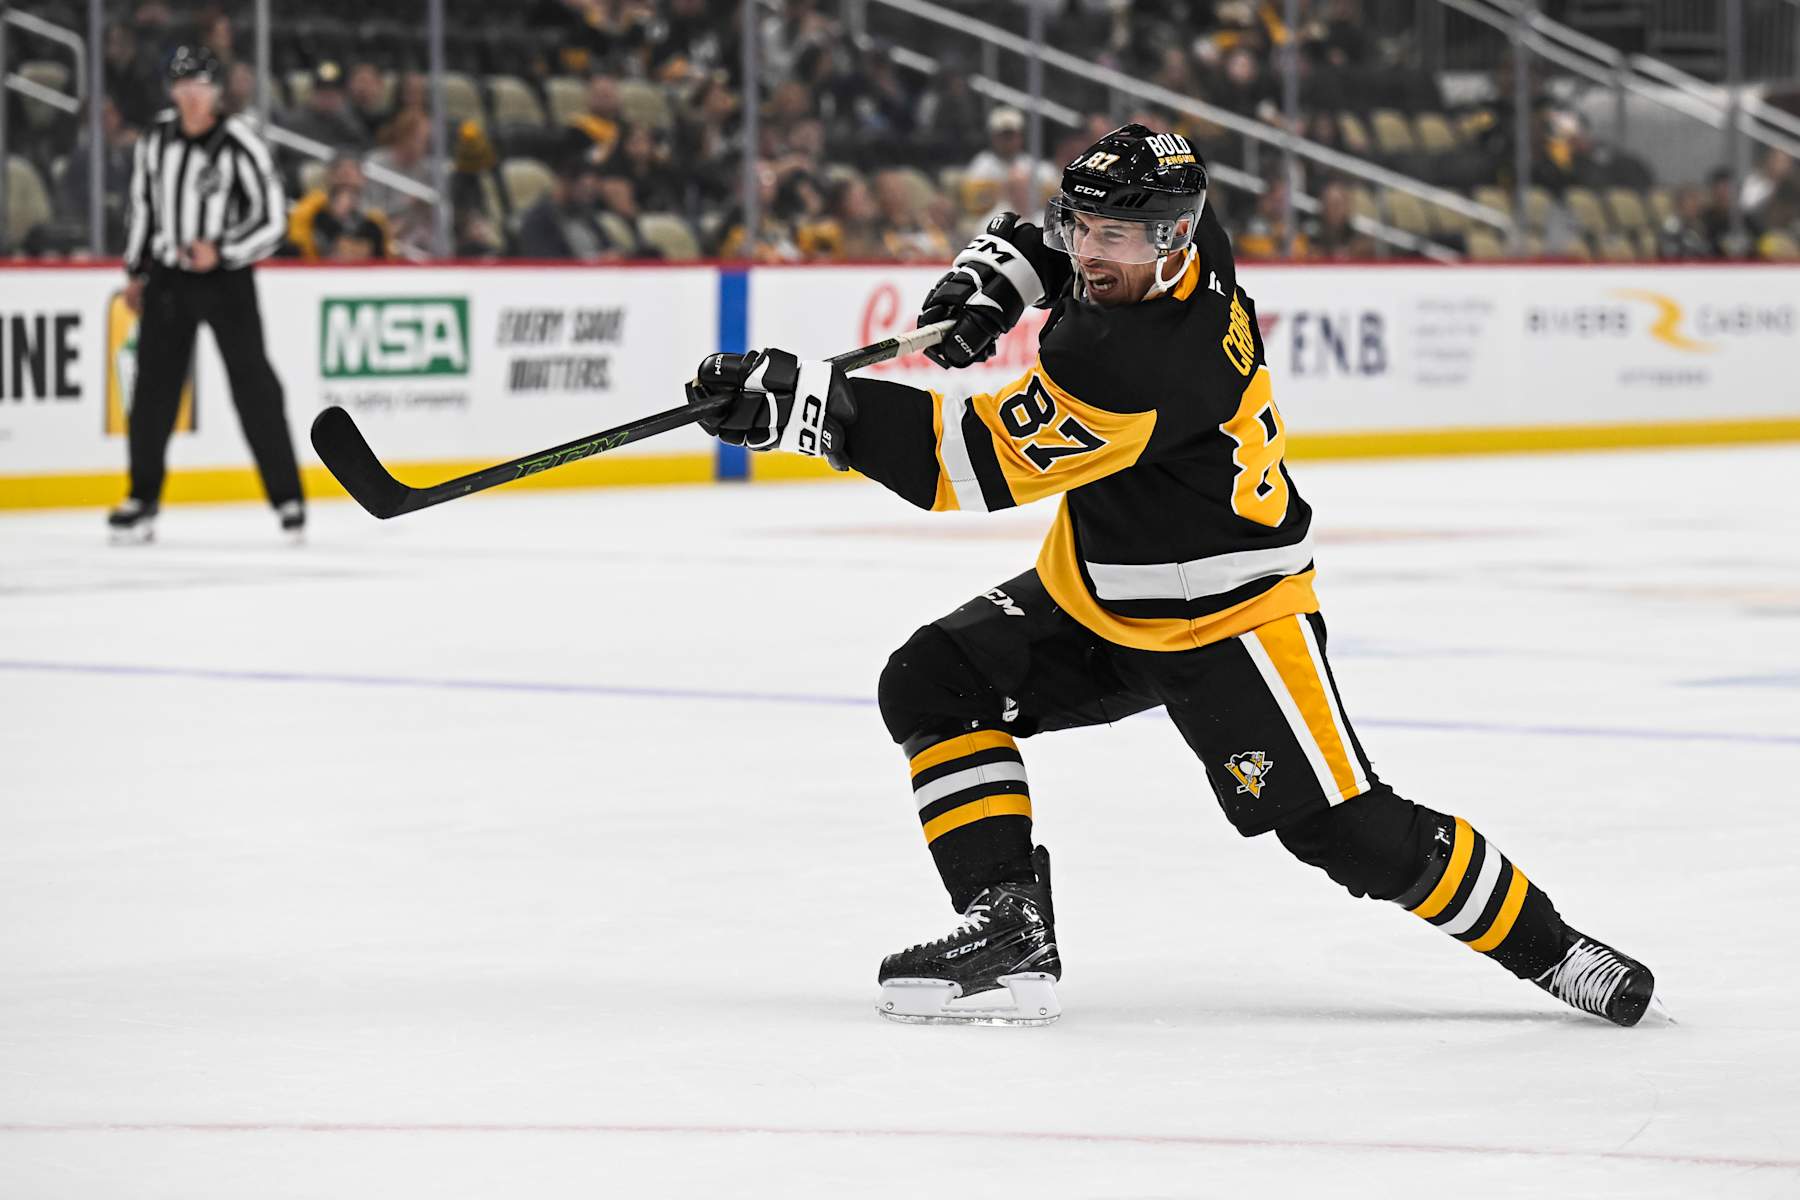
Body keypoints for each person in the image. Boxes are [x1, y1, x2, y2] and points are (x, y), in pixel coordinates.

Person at [682, 124, 1662, 1028]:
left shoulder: (1136, 361)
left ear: (1174, 237)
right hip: (1099, 593)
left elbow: (964, 466)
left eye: (1115, 236)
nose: (1092, 252)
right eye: (1082, 226)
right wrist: (1007, 275)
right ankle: (1009, 933)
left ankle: (1556, 951)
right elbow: (1066, 250)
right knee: (933, 681)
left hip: (1231, 621)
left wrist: (811, 408)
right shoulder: (1183, 246)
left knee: (1347, 832)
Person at [110, 45, 302, 544]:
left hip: (225, 281)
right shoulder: (156, 139)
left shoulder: (241, 142)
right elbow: (142, 208)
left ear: (216, 92)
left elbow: (274, 219)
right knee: (153, 391)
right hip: (169, 280)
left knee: (253, 385)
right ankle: (142, 497)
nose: (191, 96)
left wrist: (224, 250)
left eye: (199, 86)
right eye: (182, 86)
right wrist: (136, 271)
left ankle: (287, 498)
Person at [286, 154, 390, 260]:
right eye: (342, 175)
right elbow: (299, 247)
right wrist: (335, 218)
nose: (347, 180)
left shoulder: (374, 221)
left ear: (363, 179)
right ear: (329, 177)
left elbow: (384, 258)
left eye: (353, 175)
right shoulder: (311, 210)